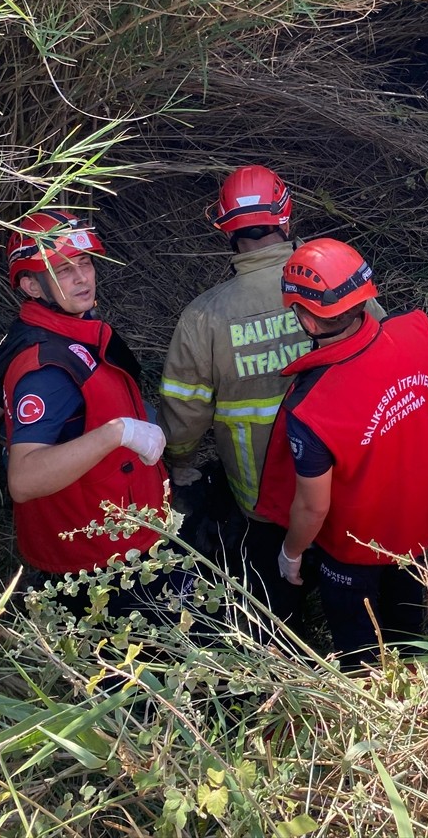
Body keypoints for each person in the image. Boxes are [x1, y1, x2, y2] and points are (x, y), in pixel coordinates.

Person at [256, 237, 428, 669]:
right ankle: (417, 677)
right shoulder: (415, 330)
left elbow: (313, 507)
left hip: (352, 552)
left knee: (359, 645)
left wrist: (291, 555)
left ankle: (371, 703)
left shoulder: (312, 407)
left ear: (308, 321)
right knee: (409, 622)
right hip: (416, 527)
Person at [0, 208, 177, 620]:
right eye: (63, 270)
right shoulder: (46, 368)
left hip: (128, 533)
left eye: (85, 262)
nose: (83, 277)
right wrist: (117, 432)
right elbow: (23, 480)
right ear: (31, 285)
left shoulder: (72, 328)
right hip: (98, 562)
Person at [157, 166, 315, 622]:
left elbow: (184, 414)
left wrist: (180, 461)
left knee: (277, 610)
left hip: (262, 497)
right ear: (286, 217)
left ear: (227, 229)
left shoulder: (205, 316)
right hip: (345, 483)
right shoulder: (333, 277)